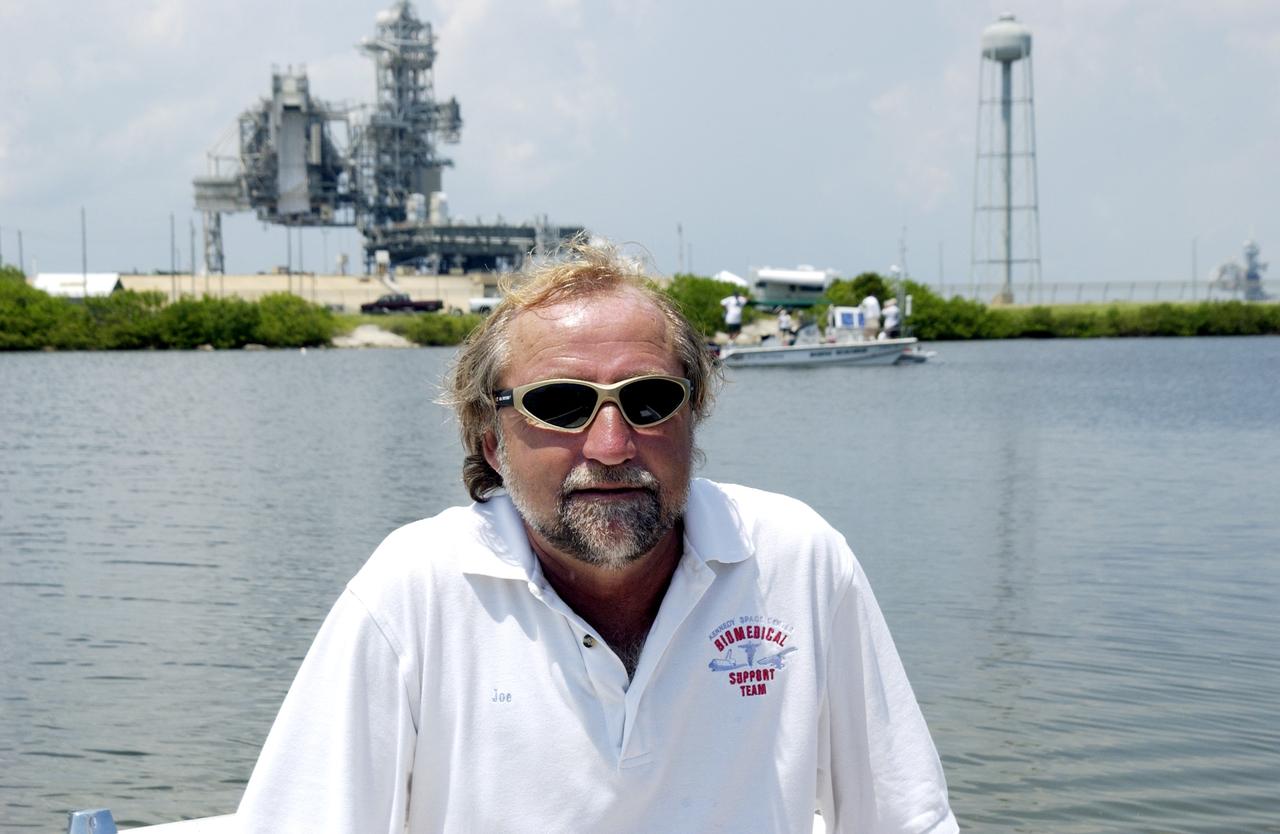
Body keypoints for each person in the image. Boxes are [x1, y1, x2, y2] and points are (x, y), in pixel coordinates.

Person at [236, 239, 957, 834]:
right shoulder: (412, 595)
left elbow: (904, 818)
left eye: (648, 401)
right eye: (561, 405)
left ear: (692, 415)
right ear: (491, 439)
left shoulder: (798, 563)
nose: (612, 444)